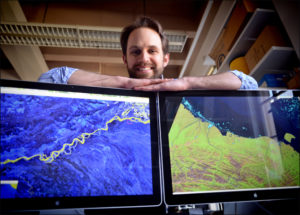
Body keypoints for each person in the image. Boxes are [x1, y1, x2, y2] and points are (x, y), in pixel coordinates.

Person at [39, 16, 258, 90]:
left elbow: (248, 83)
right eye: (135, 51)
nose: (144, 58)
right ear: (125, 58)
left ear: (165, 58)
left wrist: (187, 84)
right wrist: (122, 83)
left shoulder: (182, 91)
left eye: (152, 51)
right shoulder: (110, 91)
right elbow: (50, 78)